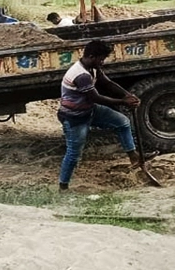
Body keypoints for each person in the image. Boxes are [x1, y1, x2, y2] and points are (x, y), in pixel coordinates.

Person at [57, 39, 153, 190]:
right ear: (91, 56)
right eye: (101, 59)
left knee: (122, 122)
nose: (102, 62)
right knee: (74, 154)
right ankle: (63, 187)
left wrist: (128, 95)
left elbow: (108, 83)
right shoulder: (81, 75)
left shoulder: (92, 68)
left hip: (89, 110)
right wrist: (123, 102)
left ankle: (133, 157)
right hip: (74, 118)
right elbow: (96, 97)